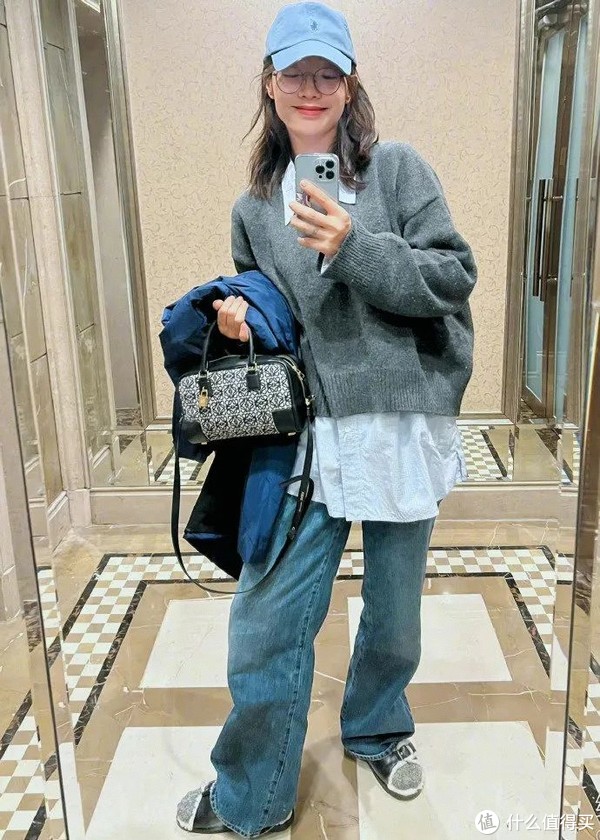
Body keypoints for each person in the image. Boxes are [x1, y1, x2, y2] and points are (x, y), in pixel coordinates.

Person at [176, 2, 477, 836]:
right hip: (311, 436)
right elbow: (275, 321)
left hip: (402, 426)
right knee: (266, 621)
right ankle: (252, 794)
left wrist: (353, 247)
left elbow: (453, 275)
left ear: (349, 87)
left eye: (327, 74)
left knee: (395, 612)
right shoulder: (254, 206)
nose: (310, 88)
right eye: (295, 73)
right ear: (270, 85)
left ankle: (377, 726)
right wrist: (240, 318)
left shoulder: (398, 171)